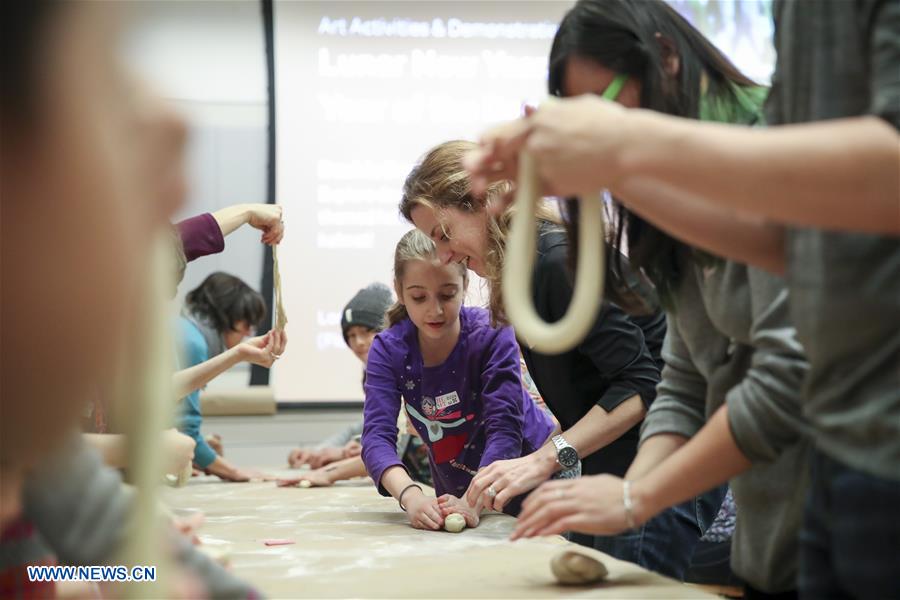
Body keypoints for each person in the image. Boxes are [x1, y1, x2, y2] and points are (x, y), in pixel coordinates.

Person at [466, 1, 899, 597]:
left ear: (666, 56)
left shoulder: (755, 139)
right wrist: (627, 497)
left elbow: (788, 364)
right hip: (801, 508)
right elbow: (691, 370)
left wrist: (635, 494)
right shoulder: (676, 184)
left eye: (608, 109)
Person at [0, 2, 258, 596]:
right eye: (106, 79)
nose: (171, 131)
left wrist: (131, 572)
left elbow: (54, 567)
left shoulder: (36, 452)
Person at [400, 140, 722, 579]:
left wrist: (543, 459)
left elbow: (642, 386)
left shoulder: (553, 263)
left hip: (665, 459)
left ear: (482, 201)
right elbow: (593, 391)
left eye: (443, 234)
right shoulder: (525, 273)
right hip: (618, 462)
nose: (444, 256)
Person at [360, 230, 556, 530]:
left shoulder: (492, 332)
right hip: (459, 497)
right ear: (399, 291)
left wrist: (473, 500)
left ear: (465, 285)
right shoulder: (389, 349)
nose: (434, 310)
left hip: (537, 485)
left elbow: (505, 429)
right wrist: (411, 496)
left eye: (447, 294)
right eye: (418, 297)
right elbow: (376, 438)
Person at [283, 283, 433, 488]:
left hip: (436, 485)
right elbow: (365, 426)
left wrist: (329, 472)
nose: (359, 342)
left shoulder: (410, 368)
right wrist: (318, 452)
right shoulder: (372, 373)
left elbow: (395, 448)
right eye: (351, 335)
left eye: (367, 331)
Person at [177, 271, 286, 481]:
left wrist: (198, 455)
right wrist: (233, 471)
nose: (247, 334)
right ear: (226, 317)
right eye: (246, 325)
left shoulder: (185, 330)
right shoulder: (192, 343)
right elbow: (184, 429)